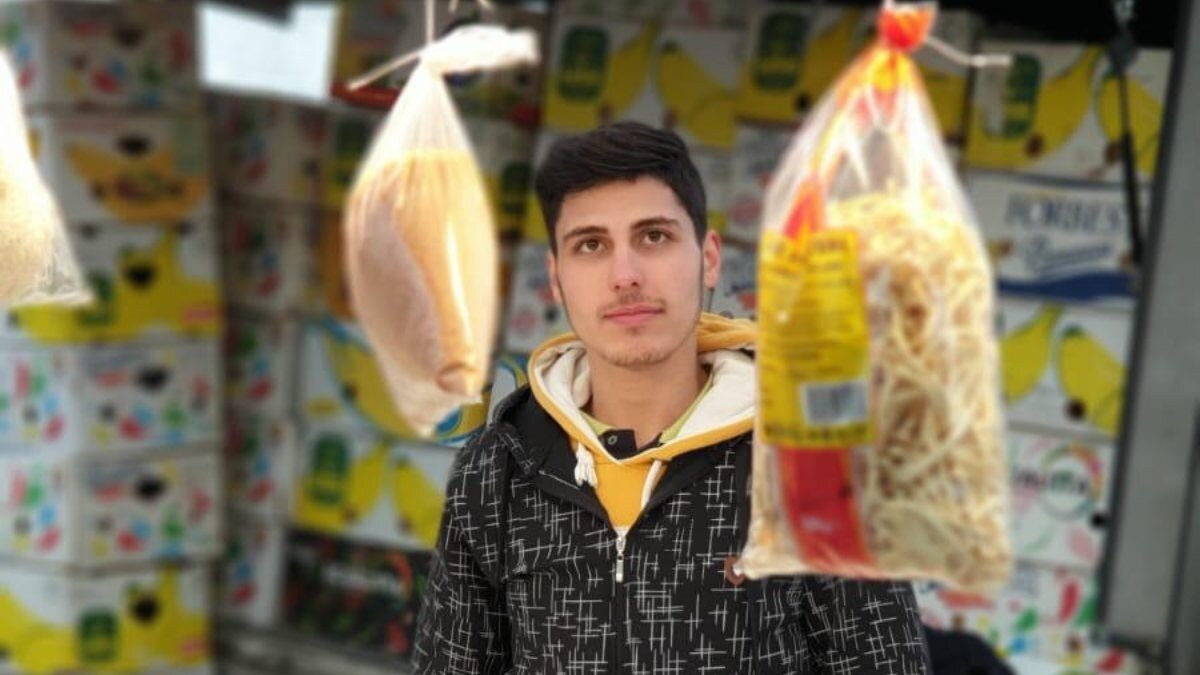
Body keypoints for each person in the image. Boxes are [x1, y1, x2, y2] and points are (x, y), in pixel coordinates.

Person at [414, 121, 932, 674]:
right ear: (557, 278)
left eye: (654, 236)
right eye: (591, 245)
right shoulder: (498, 471)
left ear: (709, 258)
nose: (625, 276)